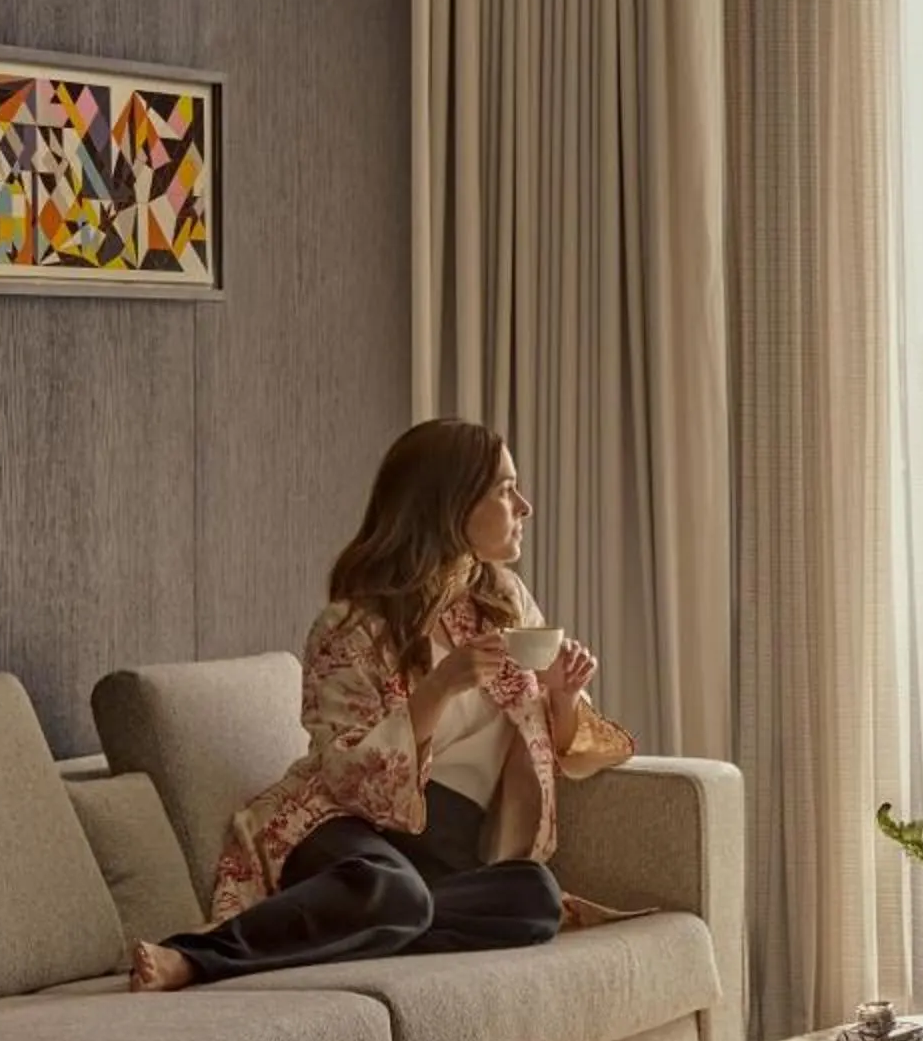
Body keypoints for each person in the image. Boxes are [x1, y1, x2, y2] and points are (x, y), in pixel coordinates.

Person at [130, 418, 634, 991]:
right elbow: (342, 771)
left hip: (444, 855)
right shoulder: (350, 625)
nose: (524, 505)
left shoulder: (506, 601)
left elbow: (557, 738)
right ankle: (196, 956)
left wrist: (564, 696)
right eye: (503, 488)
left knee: (535, 897)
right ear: (450, 504)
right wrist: (438, 688)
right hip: (346, 833)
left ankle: (356, 927)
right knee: (392, 888)